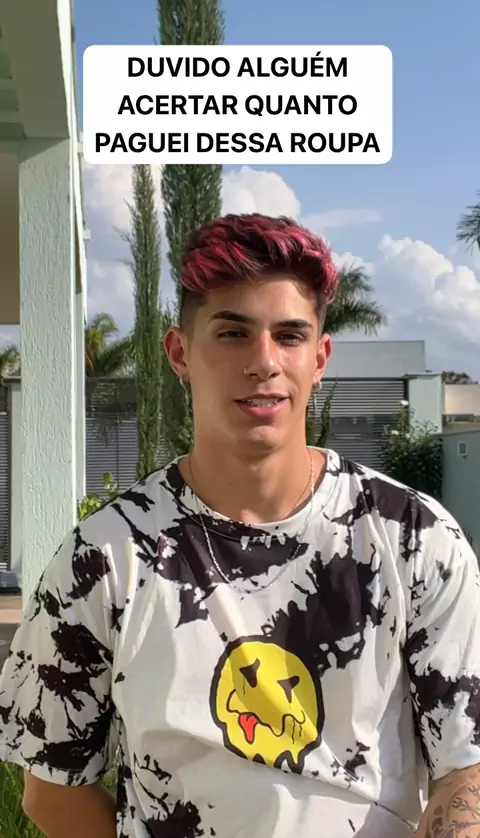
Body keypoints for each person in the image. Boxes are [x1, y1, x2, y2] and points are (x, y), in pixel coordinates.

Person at [0, 214, 479, 838]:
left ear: (319, 357)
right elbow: (52, 789)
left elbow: (466, 770)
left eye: (289, 335)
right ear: (180, 353)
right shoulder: (105, 559)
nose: (264, 362)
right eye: (233, 333)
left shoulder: (413, 538)